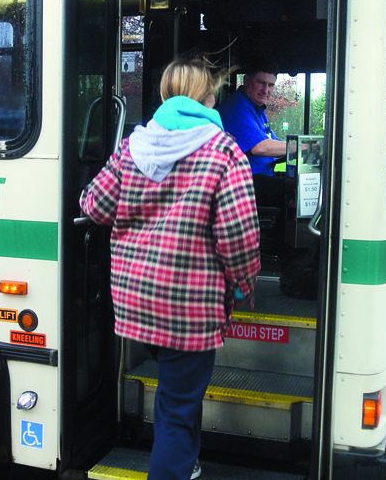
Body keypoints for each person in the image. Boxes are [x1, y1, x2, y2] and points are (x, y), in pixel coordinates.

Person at [80, 53, 260, 480]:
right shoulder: (222, 151)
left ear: (166, 95)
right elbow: (239, 236)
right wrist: (244, 282)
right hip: (191, 307)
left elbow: (94, 204)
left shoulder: (134, 146)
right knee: (178, 408)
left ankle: (187, 462)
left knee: (178, 395)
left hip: (138, 301)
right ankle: (176, 467)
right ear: (208, 99)